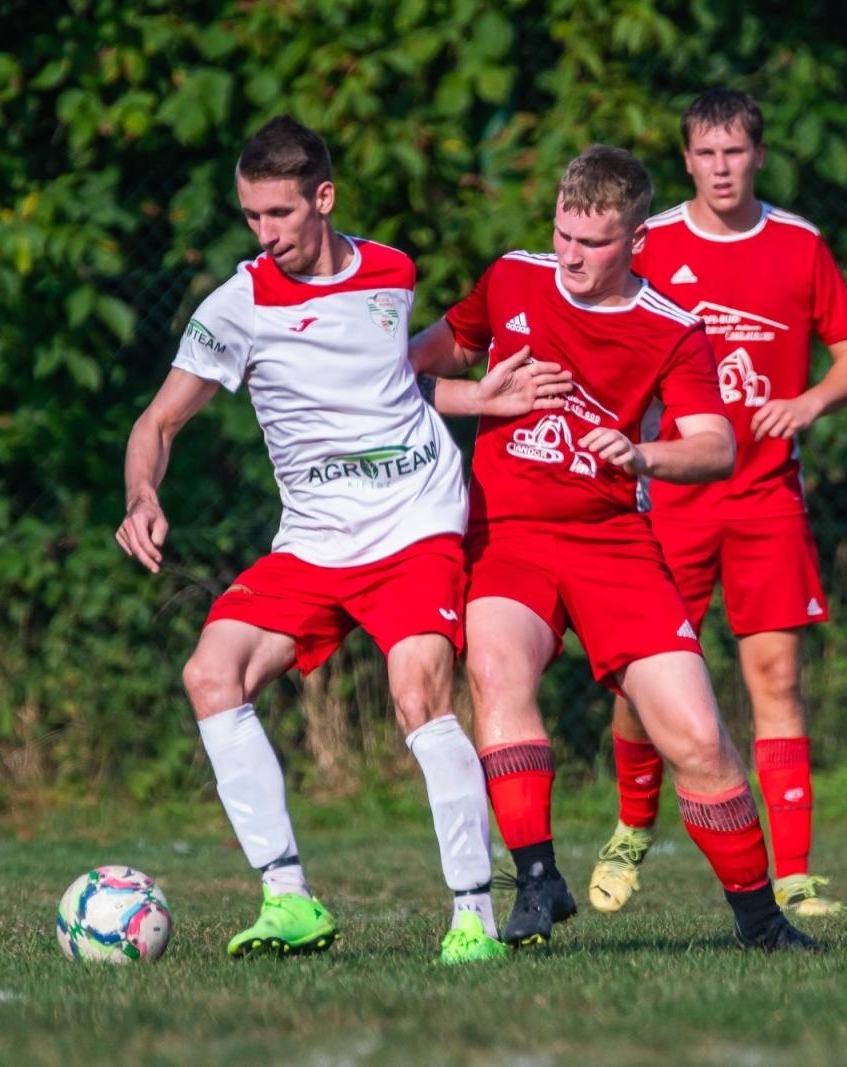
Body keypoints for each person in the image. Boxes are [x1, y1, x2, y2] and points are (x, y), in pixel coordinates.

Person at [115, 115, 570, 966]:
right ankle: (288, 901)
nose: (265, 235)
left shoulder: (392, 272)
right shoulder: (239, 303)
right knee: (212, 673)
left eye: (280, 214)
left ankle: (472, 914)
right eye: (252, 216)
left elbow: (396, 389)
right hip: (315, 540)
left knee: (417, 690)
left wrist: (482, 399)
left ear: (324, 198)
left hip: (415, 525)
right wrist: (143, 491)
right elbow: (160, 419)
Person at [409, 145, 817, 951]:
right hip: (510, 538)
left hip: (615, 546)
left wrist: (643, 456)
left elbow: (715, 445)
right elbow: (404, 370)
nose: (569, 255)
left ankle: (761, 921)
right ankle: (536, 879)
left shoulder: (670, 327)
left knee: (697, 735)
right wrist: (476, 394)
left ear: (637, 240)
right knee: (496, 668)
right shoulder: (512, 280)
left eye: (592, 242)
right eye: (562, 233)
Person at [585, 90, 847, 918]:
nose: (722, 167)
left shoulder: (798, 244)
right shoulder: (653, 244)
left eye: (736, 152)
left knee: (775, 677)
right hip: (668, 497)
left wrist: (813, 401)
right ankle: (631, 829)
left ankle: (794, 875)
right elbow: (598, 330)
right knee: (641, 683)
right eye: (706, 153)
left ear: (759, 155)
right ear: (686, 160)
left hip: (766, 499)